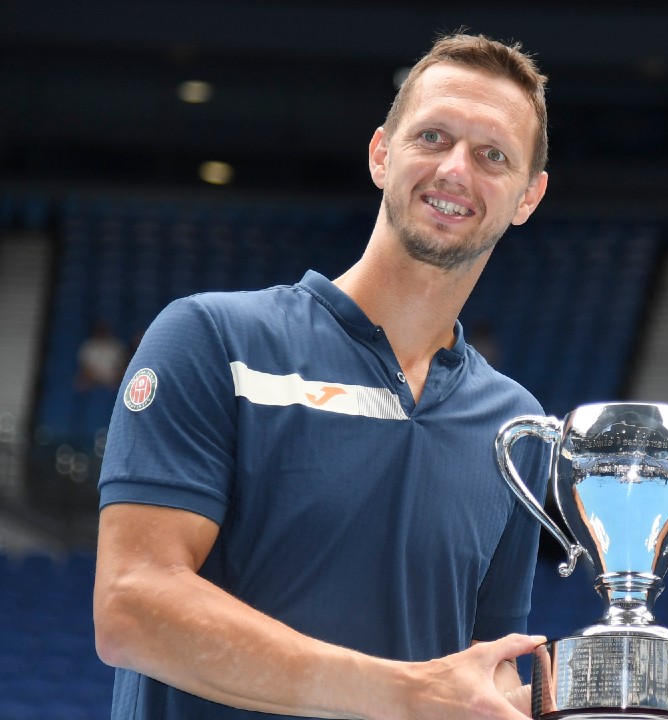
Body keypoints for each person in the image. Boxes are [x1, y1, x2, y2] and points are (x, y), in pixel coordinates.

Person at [93, 32, 553, 720]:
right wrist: (405, 695)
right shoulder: (214, 341)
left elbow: (482, 680)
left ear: (528, 196)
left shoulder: (517, 428)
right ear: (380, 154)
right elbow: (131, 606)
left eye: (493, 156)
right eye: (433, 137)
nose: (457, 170)